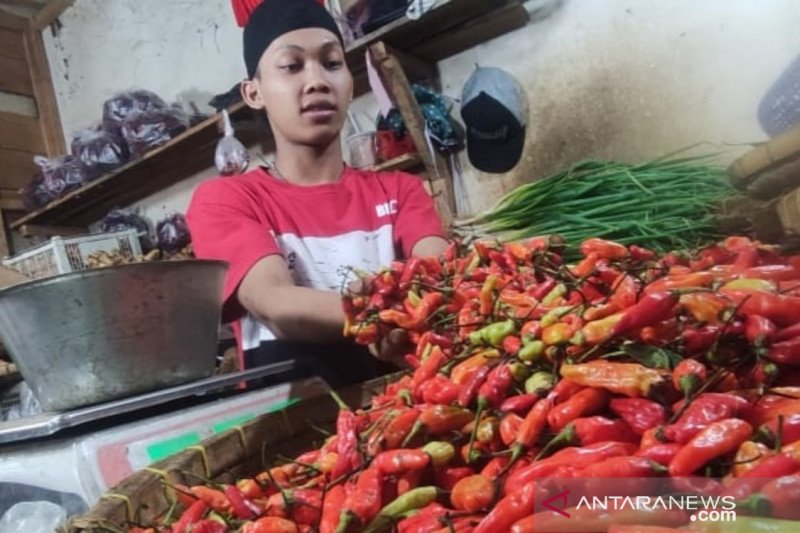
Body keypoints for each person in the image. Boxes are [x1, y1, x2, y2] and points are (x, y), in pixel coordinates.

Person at [186, 0, 449, 388]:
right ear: (254, 92)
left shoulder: (401, 191)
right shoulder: (226, 200)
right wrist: (375, 315)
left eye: (332, 63)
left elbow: (440, 281)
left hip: (404, 425)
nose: (317, 81)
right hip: (291, 434)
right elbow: (275, 303)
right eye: (292, 66)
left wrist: (404, 307)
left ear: (349, 81)